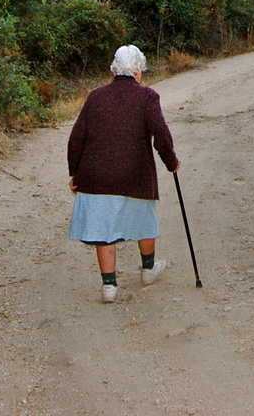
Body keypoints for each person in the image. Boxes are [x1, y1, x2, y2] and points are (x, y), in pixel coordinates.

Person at [67, 44, 180, 303]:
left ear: (113, 70)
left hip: (97, 175)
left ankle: (109, 286)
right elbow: (161, 135)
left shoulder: (95, 97)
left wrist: (76, 173)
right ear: (139, 71)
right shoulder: (147, 97)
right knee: (144, 219)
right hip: (135, 173)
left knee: (103, 229)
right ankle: (148, 270)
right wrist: (171, 162)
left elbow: (76, 139)